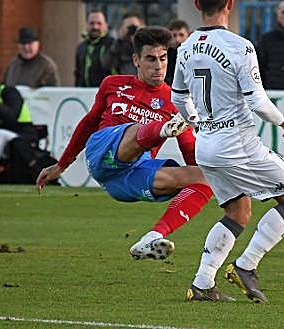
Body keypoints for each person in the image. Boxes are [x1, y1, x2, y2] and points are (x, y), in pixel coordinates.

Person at [172, 0, 284, 303]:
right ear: (230, 3)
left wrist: (196, 122)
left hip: (206, 146)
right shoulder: (239, 47)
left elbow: (178, 97)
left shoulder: (186, 47)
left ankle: (203, 283)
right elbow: (257, 101)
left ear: (197, 4)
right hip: (238, 145)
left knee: (238, 211)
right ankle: (246, 265)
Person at [37, 26, 213, 261]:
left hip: (126, 177)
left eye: (163, 58)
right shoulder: (113, 84)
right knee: (136, 129)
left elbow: (189, 150)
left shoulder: (174, 101)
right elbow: (89, 123)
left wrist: (213, 180)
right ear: (136, 60)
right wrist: (61, 165)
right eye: (150, 59)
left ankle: (152, 237)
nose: (158, 66)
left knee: (204, 177)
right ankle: (161, 129)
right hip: (103, 149)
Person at [74, 11, 115, 87]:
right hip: (84, 93)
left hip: (106, 92)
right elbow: (77, 74)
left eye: (99, 23)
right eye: (91, 23)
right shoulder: (81, 47)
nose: (95, 27)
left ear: (106, 25)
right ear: (86, 25)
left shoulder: (112, 45)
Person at [165, 19, 190, 86]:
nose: (177, 39)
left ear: (188, 35)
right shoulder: (164, 54)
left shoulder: (193, 54)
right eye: (174, 35)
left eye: (181, 35)